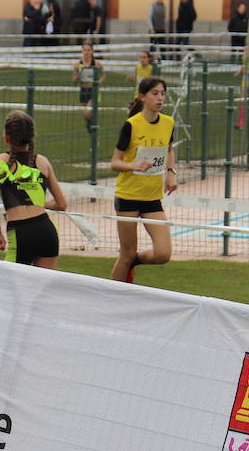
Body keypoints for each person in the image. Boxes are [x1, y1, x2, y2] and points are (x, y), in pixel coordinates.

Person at [109, 77, 177, 283]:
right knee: (126, 253)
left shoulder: (168, 122)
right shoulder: (131, 125)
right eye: (155, 94)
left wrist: (171, 172)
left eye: (162, 94)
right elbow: (114, 162)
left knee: (163, 253)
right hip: (128, 196)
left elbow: (168, 149)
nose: (160, 98)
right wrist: (133, 166)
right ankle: (111, 298)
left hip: (152, 198)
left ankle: (134, 262)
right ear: (142, 97)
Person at [0, 110, 68, 269]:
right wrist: (36, 203)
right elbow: (61, 204)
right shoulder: (43, 161)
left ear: (6, 137)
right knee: (43, 291)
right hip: (46, 230)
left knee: (10, 290)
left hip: (21, 232)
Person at [72, 41, 104, 127]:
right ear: (82, 51)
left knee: (87, 113)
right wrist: (80, 72)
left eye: (88, 50)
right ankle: (93, 132)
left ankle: (94, 128)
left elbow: (103, 75)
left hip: (93, 91)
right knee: (86, 118)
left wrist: (99, 82)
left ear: (92, 51)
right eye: (85, 50)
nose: (86, 52)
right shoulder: (77, 65)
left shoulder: (97, 64)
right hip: (83, 91)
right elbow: (74, 81)